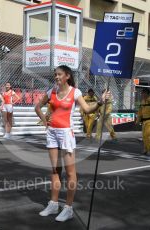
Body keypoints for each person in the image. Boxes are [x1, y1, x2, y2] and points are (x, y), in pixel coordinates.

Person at [35, 65, 110, 222]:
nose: (56, 77)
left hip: (66, 134)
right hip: (52, 133)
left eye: (59, 74)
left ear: (67, 76)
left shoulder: (75, 92)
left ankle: (68, 208)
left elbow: (88, 110)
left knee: (70, 172)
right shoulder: (51, 91)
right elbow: (37, 107)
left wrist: (100, 102)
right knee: (55, 170)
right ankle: (53, 203)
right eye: (55, 74)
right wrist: (45, 121)